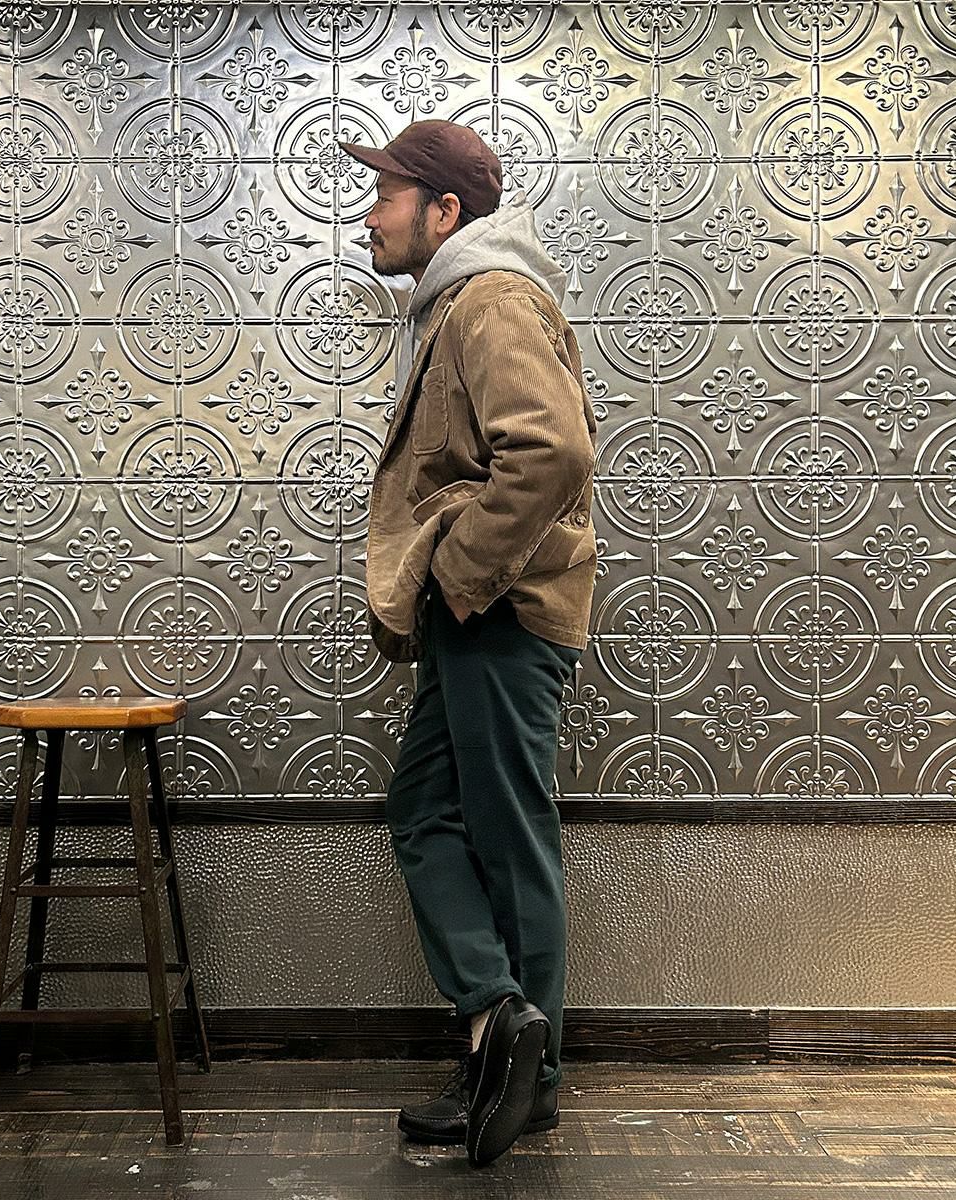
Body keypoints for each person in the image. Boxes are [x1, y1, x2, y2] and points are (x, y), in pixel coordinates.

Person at [339, 120, 599, 1168]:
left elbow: (552, 451)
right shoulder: (458, 303)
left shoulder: (490, 300)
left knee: (507, 833)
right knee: (428, 812)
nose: (370, 214)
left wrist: (457, 573)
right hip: (478, 615)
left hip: (499, 612)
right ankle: (501, 1030)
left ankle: (525, 1072)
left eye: (387, 194)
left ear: (444, 211)